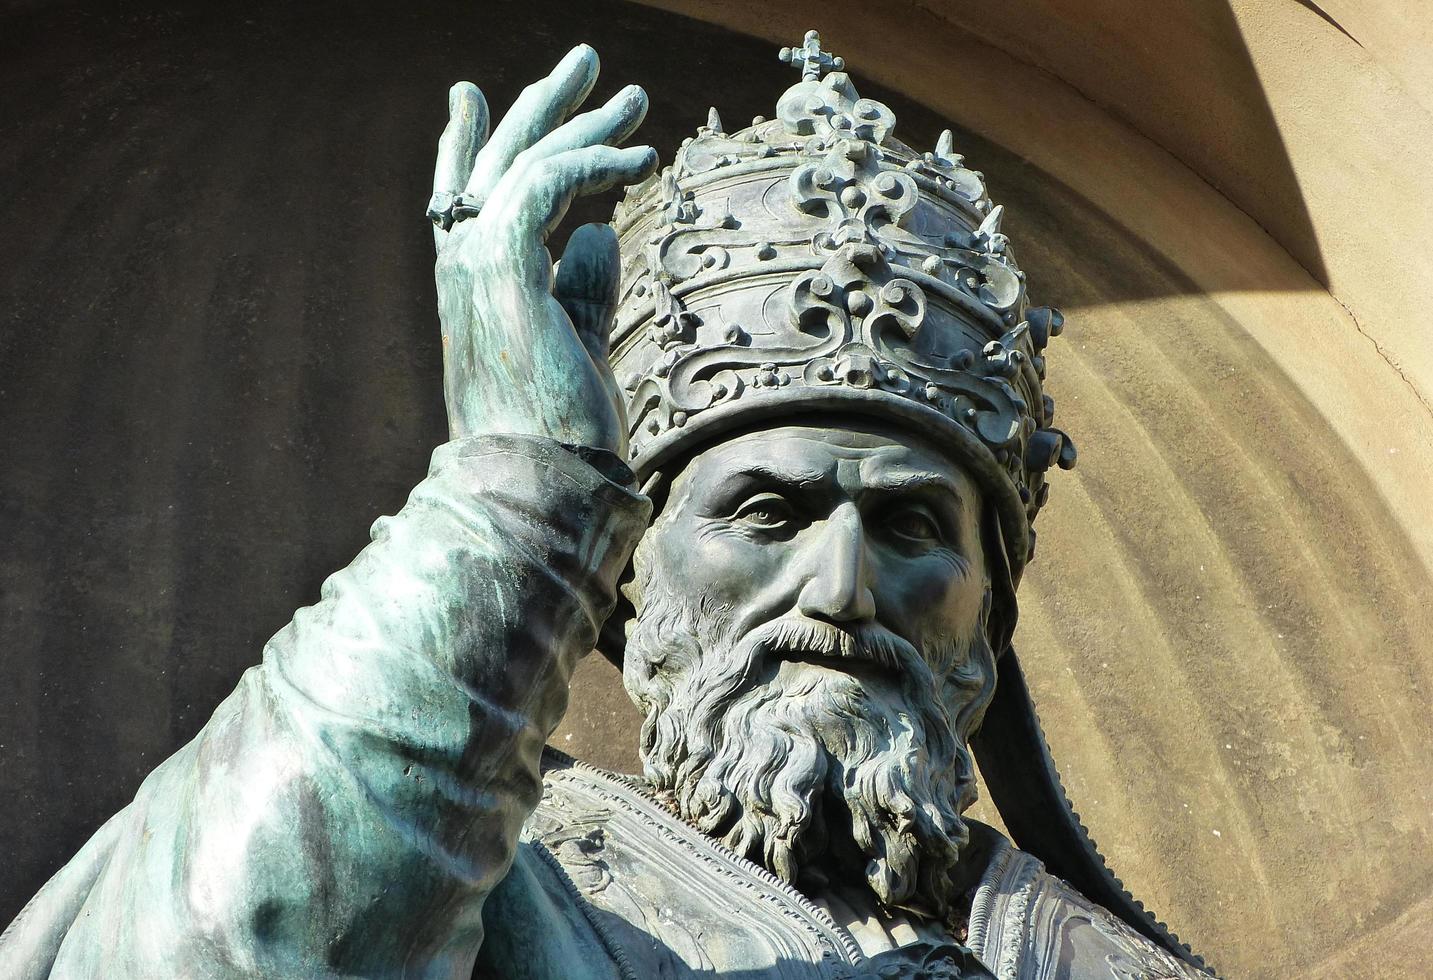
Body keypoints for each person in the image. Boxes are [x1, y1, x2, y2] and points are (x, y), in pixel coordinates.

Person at [0, 35, 1211, 979]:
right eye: (768, 511)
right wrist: (521, 495)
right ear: (636, 583)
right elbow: (199, 945)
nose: (842, 590)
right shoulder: (478, 895)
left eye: (908, 527)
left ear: (987, 619)